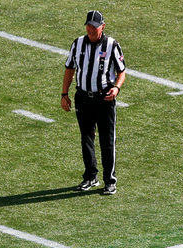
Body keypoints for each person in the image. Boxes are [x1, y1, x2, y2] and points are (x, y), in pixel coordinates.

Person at [61, 10, 127, 195]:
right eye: (88, 25)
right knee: (86, 138)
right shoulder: (78, 43)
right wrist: (64, 93)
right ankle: (90, 176)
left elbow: (121, 70)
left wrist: (117, 88)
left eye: (94, 26)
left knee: (107, 140)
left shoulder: (112, 45)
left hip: (104, 97)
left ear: (102, 27)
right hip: (83, 96)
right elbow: (69, 68)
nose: (90, 29)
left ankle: (110, 181)